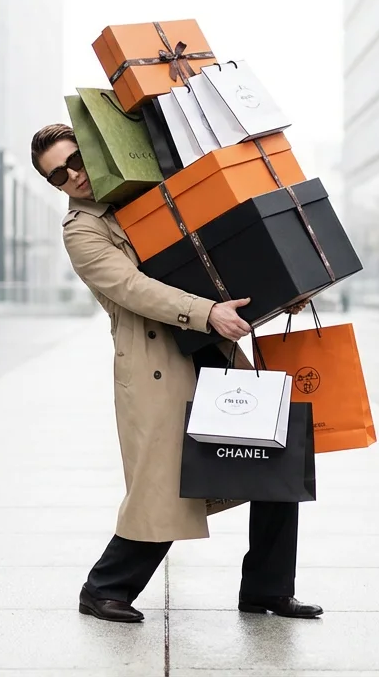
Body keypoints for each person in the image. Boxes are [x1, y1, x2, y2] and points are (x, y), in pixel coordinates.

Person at [30, 123, 322, 624]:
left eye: (75, 159)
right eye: (58, 175)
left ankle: (268, 589)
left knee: (276, 465)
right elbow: (134, 288)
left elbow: (217, 259)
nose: (73, 175)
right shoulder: (82, 230)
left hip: (213, 350)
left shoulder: (153, 190)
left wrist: (281, 293)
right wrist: (208, 313)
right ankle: (104, 588)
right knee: (162, 485)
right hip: (159, 364)